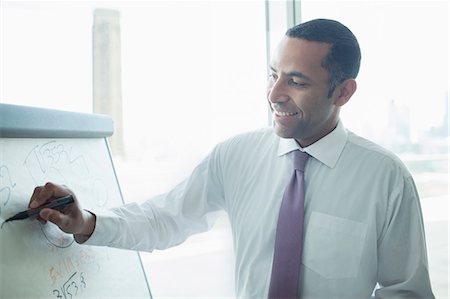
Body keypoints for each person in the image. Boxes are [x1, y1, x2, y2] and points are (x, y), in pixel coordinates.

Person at [29, 19, 434, 298]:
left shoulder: (386, 179)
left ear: (344, 92)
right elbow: (165, 218)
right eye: (273, 74)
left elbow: (406, 292)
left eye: (296, 81)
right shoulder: (236, 156)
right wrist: (85, 222)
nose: (275, 94)